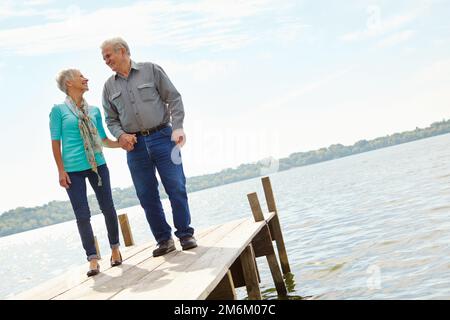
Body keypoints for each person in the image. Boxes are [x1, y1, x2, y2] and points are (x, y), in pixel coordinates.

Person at [100, 37, 197, 257]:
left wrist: (178, 127)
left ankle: (185, 234)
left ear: (122, 51)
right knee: (146, 195)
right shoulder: (108, 86)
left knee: (176, 186)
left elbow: (174, 98)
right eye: (104, 57)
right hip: (135, 147)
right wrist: (121, 135)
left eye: (108, 55)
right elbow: (111, 119)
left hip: (164, 137)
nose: (106, 61)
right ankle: (164, 240)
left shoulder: (151, 70)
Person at [50, 69, 123, 277]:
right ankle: (92, 259)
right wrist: (61, 170)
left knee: (108, 207)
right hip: (73, 171)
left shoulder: (94, 111)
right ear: (69, 83)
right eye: (81, 76)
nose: (86, 79)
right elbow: (56, 143)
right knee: (82, 216)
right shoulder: (58, 111)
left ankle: (115, 249)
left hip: (97, 165)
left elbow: (102, 140)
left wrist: (123, 143)